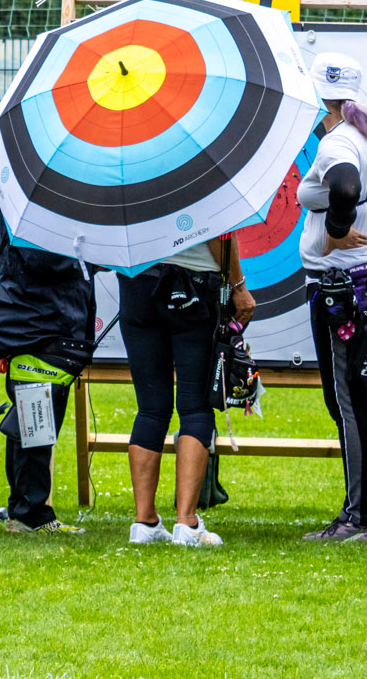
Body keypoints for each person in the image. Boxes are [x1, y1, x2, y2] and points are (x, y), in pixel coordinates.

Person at [295, 52, 367, 543]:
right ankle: (364, 512)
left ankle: (357, 518)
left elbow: (345, 185)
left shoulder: (338, 141)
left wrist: (336, 232)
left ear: (323, 98)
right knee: (361, 400)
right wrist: (362, 222)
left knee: (349, 403)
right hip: (363, 281)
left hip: (340, 288)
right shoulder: (365, 136)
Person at [120, 229, 254, 547]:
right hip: (194, 280)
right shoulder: (201, 185)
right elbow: (217, 229)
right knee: (195, 406)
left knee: (150, 408)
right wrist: (238, 286)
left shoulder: (124, 188)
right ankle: (187, 522)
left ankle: (144, 521)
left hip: (137, 280)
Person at [0, 191, 92, 534]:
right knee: (36, 426)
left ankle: (26, 509)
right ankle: (31, 513)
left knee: (31, 424)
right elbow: (43, 258)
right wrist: (91, 252)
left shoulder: (18, 188)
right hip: (37, 321)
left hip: (29, 319)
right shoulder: (35, 194)